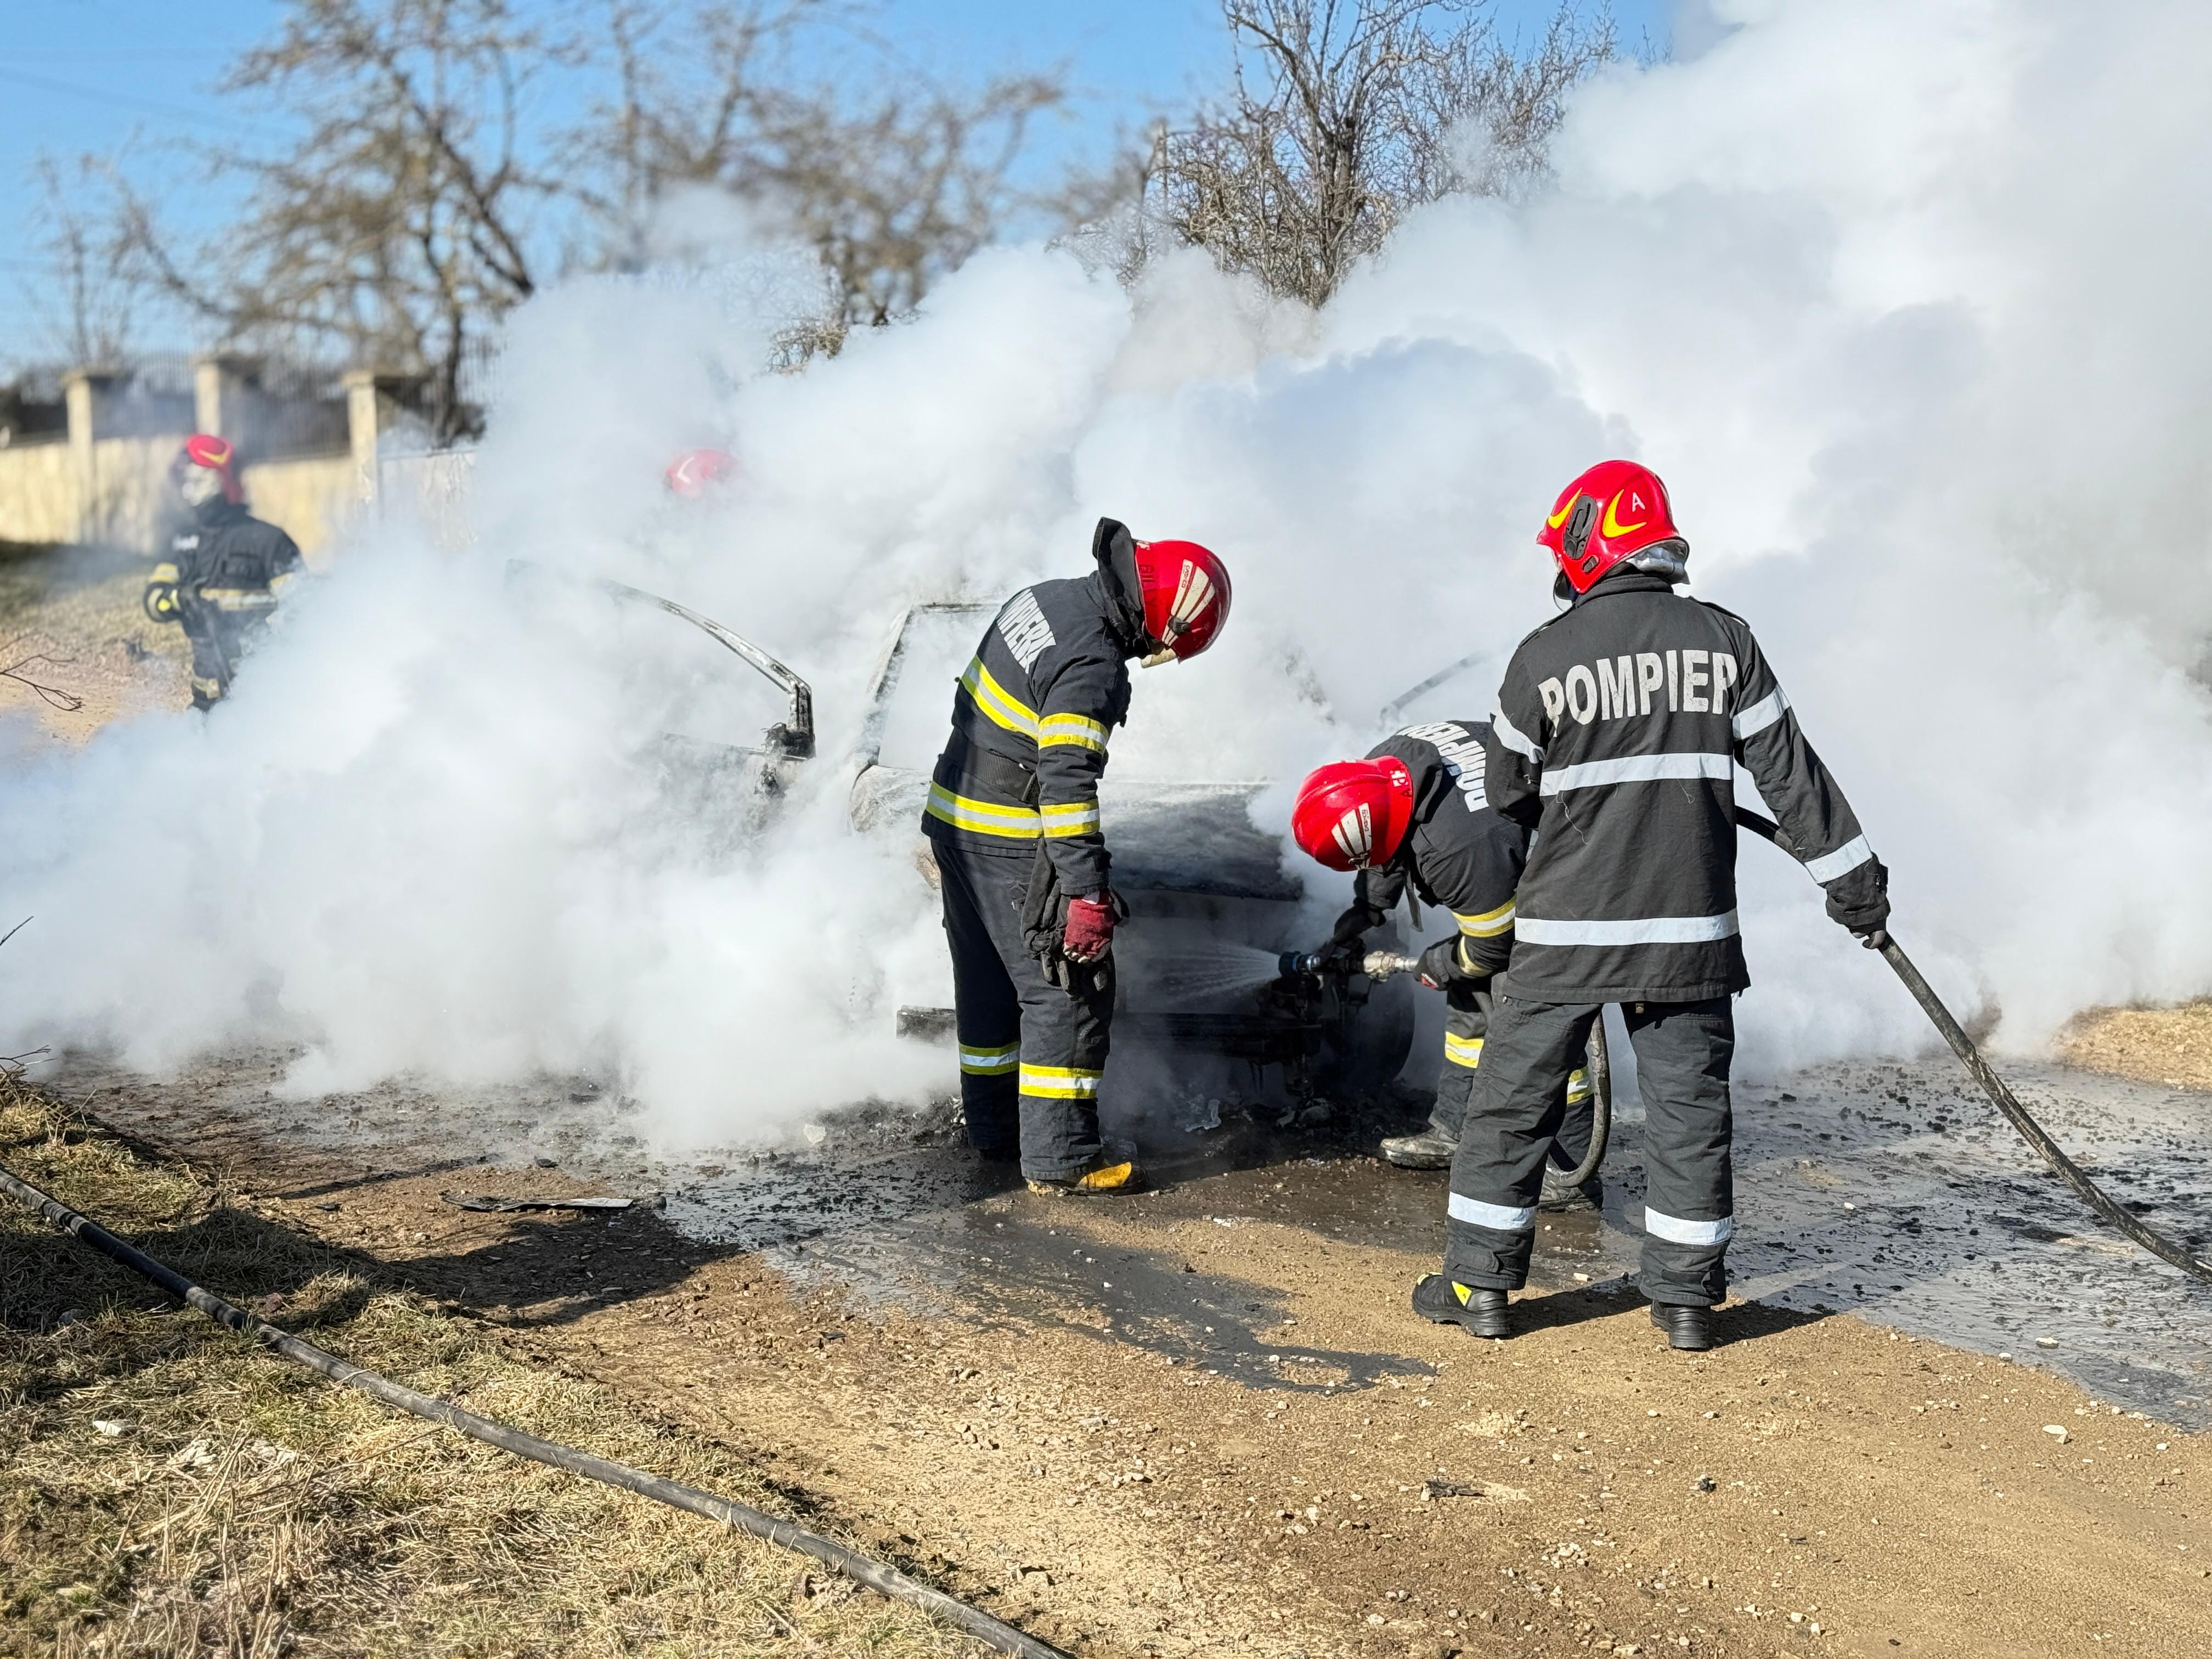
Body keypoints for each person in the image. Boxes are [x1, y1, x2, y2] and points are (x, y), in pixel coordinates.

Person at [1414, 459, 1887, 1350]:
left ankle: (1479, 1286)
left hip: (1561, 934)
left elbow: (1510, 795)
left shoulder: (1542, 654)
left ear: (1590, 543)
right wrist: (1855, 884)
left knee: (1513, 1098)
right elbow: (1791, 776)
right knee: (1687, 1107)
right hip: (1687, 932)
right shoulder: (1726, 642)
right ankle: (1683, 1300)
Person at [922, 517, 1231, 1195]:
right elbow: (1065, 785)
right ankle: (1063, 1159)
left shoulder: (1049, 597)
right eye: (1169, 644)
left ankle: (998, 1132)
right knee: (1068, 991)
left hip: (954, 821)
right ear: (1163, 622)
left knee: (989, 990)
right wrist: (1086, 895)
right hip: (1006, 836)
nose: (1158, 653)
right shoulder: (1092, 663)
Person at [1289, 726, 1596, 1204]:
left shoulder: (1458, 852)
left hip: (1574, 876)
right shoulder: (1385, 769)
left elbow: (1492, 950)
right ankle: (1455, 1127)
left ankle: (1571, 1166)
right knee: (1471, 1001)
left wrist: (1440, 962)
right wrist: (1369, 908)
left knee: (1544, 1020)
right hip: (1509, 850)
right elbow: (1384, 842)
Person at [143, 435, 302, 708]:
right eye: (185, 484)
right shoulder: (185, 541)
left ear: (224, 481)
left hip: (261, 697)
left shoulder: (268, 540)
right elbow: (153, 601)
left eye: (197, 482)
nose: (188, 493)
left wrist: (236, 610)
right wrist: (179, 600)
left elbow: (304, 611)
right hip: (204, 700)